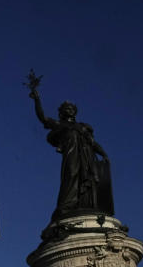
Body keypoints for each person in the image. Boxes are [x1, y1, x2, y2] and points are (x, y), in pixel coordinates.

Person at [29, 76, 113, 220]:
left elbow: (93, 143)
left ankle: (87, 206)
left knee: (90, 180)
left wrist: (104, 154)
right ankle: (67, 206)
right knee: (71, 176)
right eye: (66, 109)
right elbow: (42, 117)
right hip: (71, 155)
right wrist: (37, 100)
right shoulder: (60, 125)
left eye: (72, 108)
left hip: (87, 157)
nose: (70, 110)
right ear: (61, 112)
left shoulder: (82, 127)